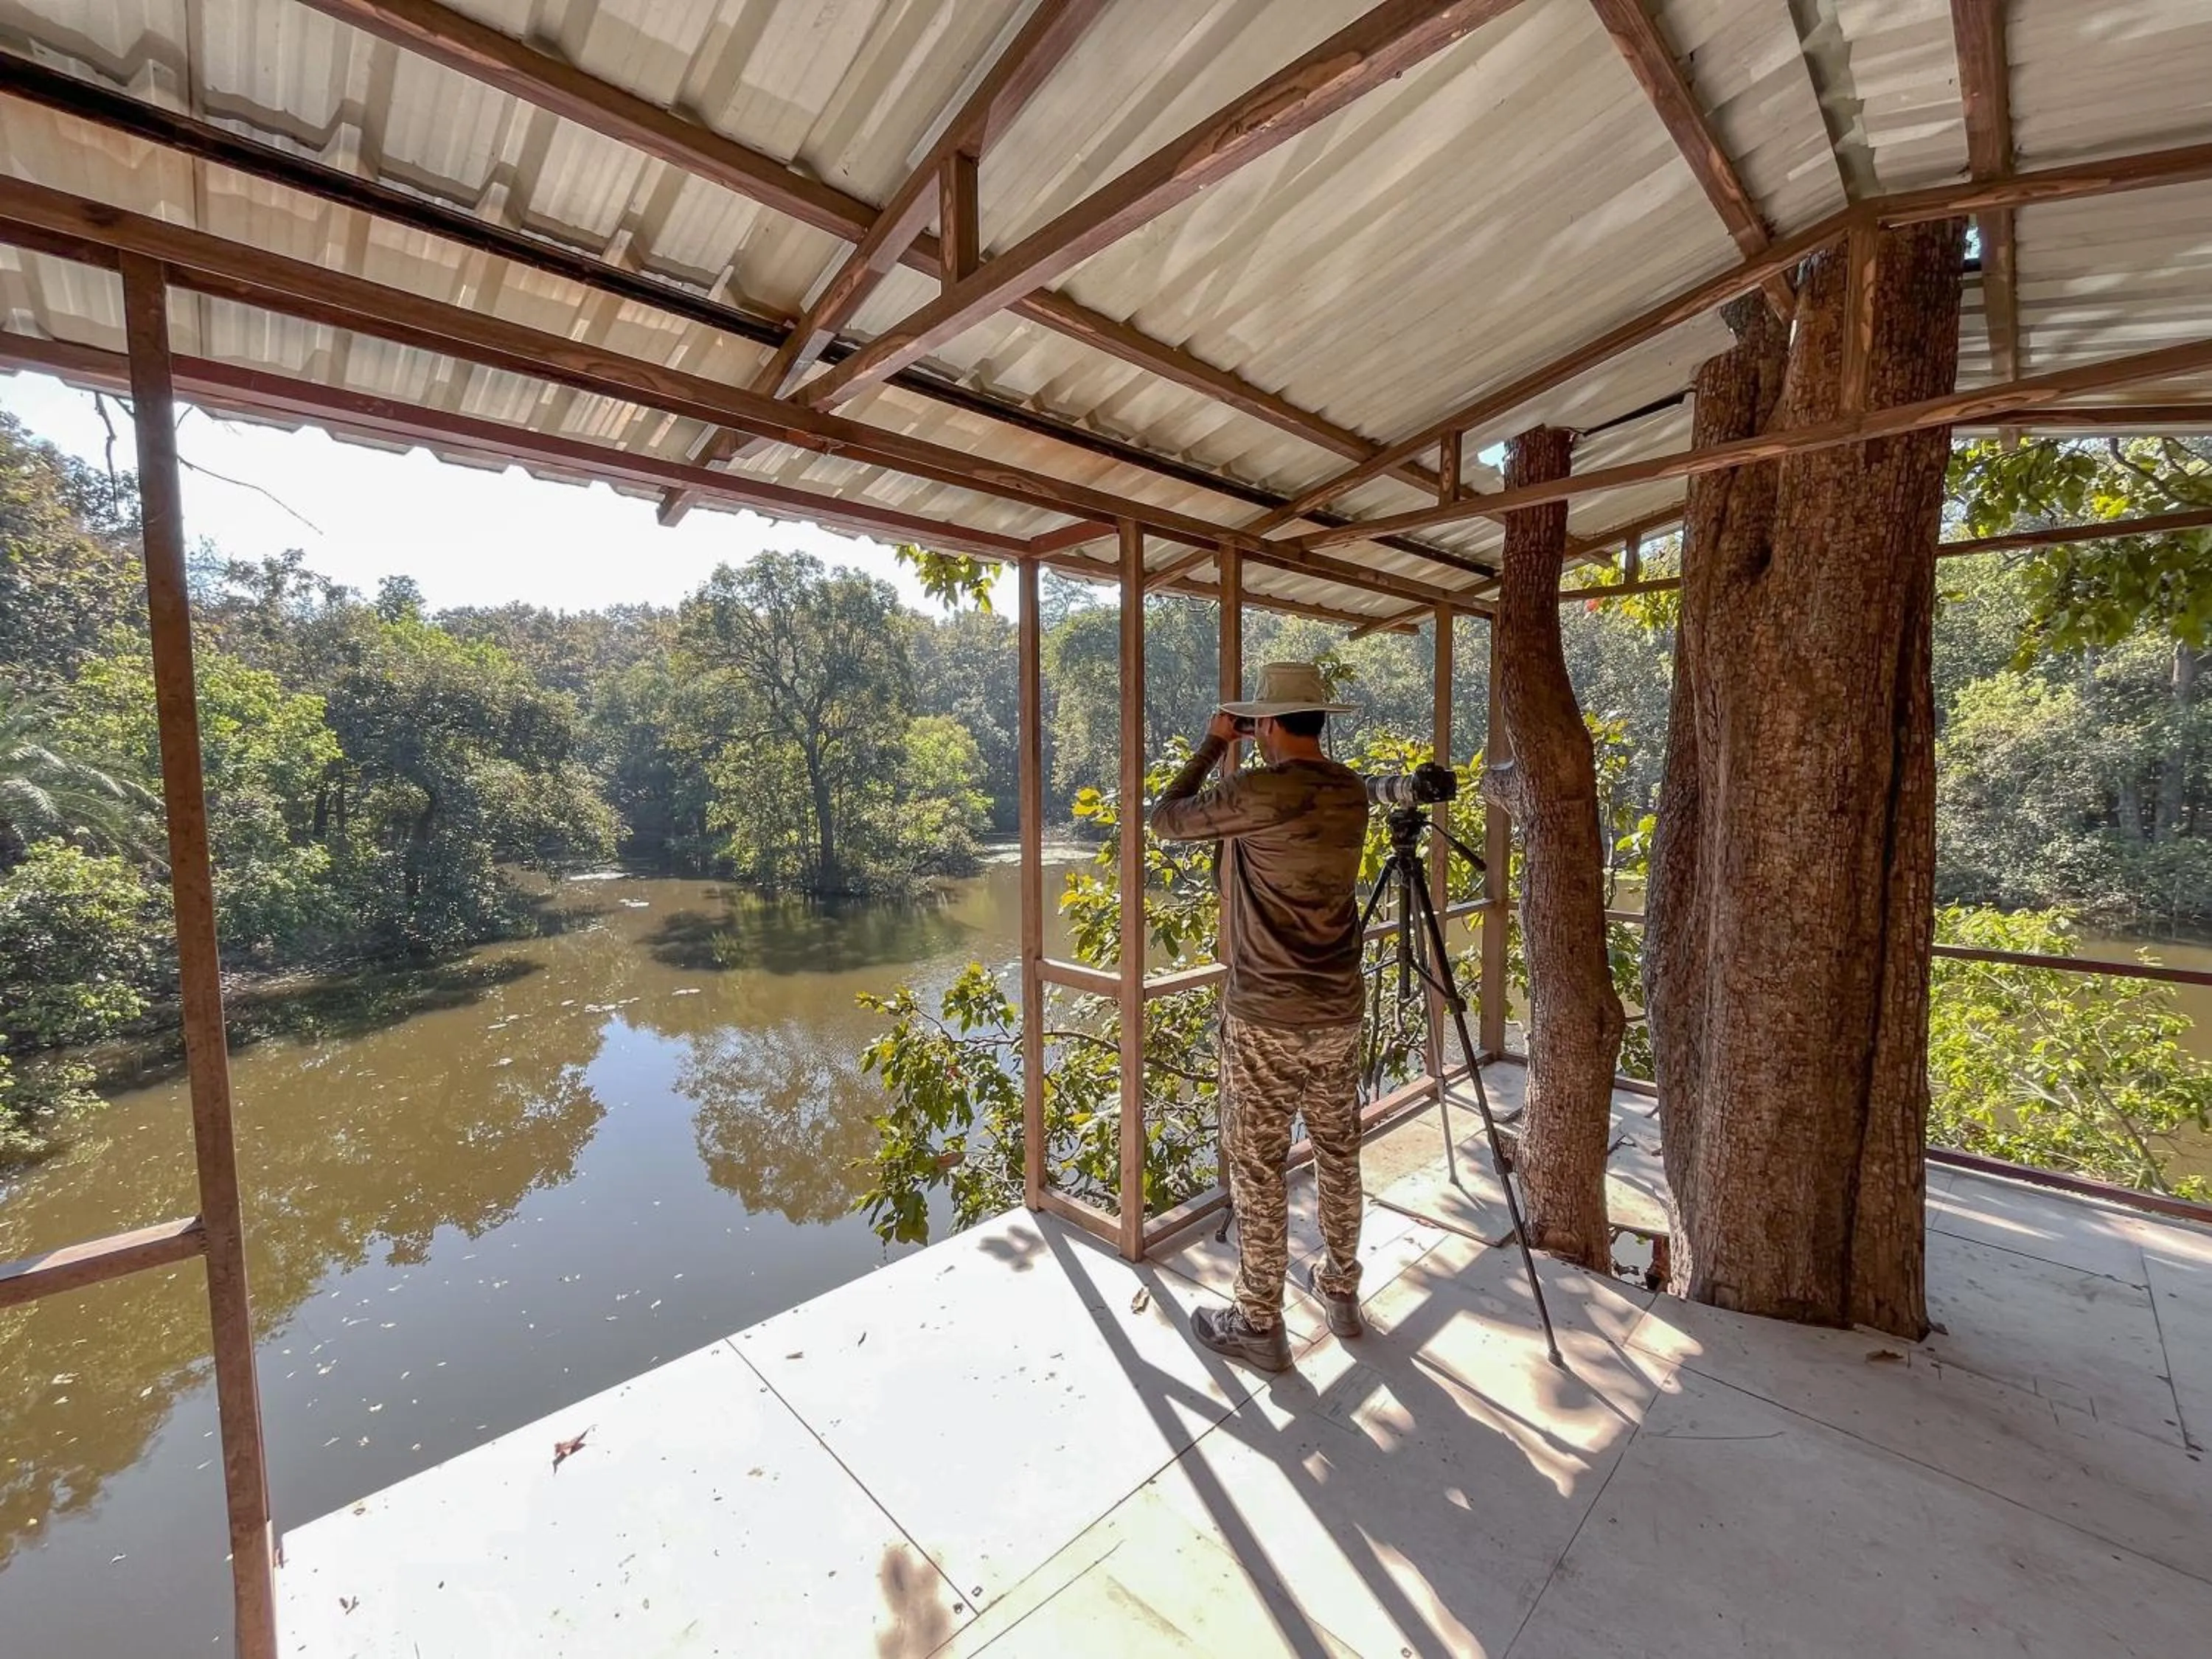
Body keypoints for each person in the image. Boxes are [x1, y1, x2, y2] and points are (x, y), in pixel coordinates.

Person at [1150, 661, 1371, 1371]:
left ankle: (1257, 1322)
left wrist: (1216, 743)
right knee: (1339, 1154)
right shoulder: (1351, 792)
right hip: (1338, 1008)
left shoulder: (1256, 790)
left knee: (1260, 1166)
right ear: (1321, 720)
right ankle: (1340, 1294)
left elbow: (1166, 820)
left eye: (1256, 721)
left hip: (1267, 1016)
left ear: (1267, 724)